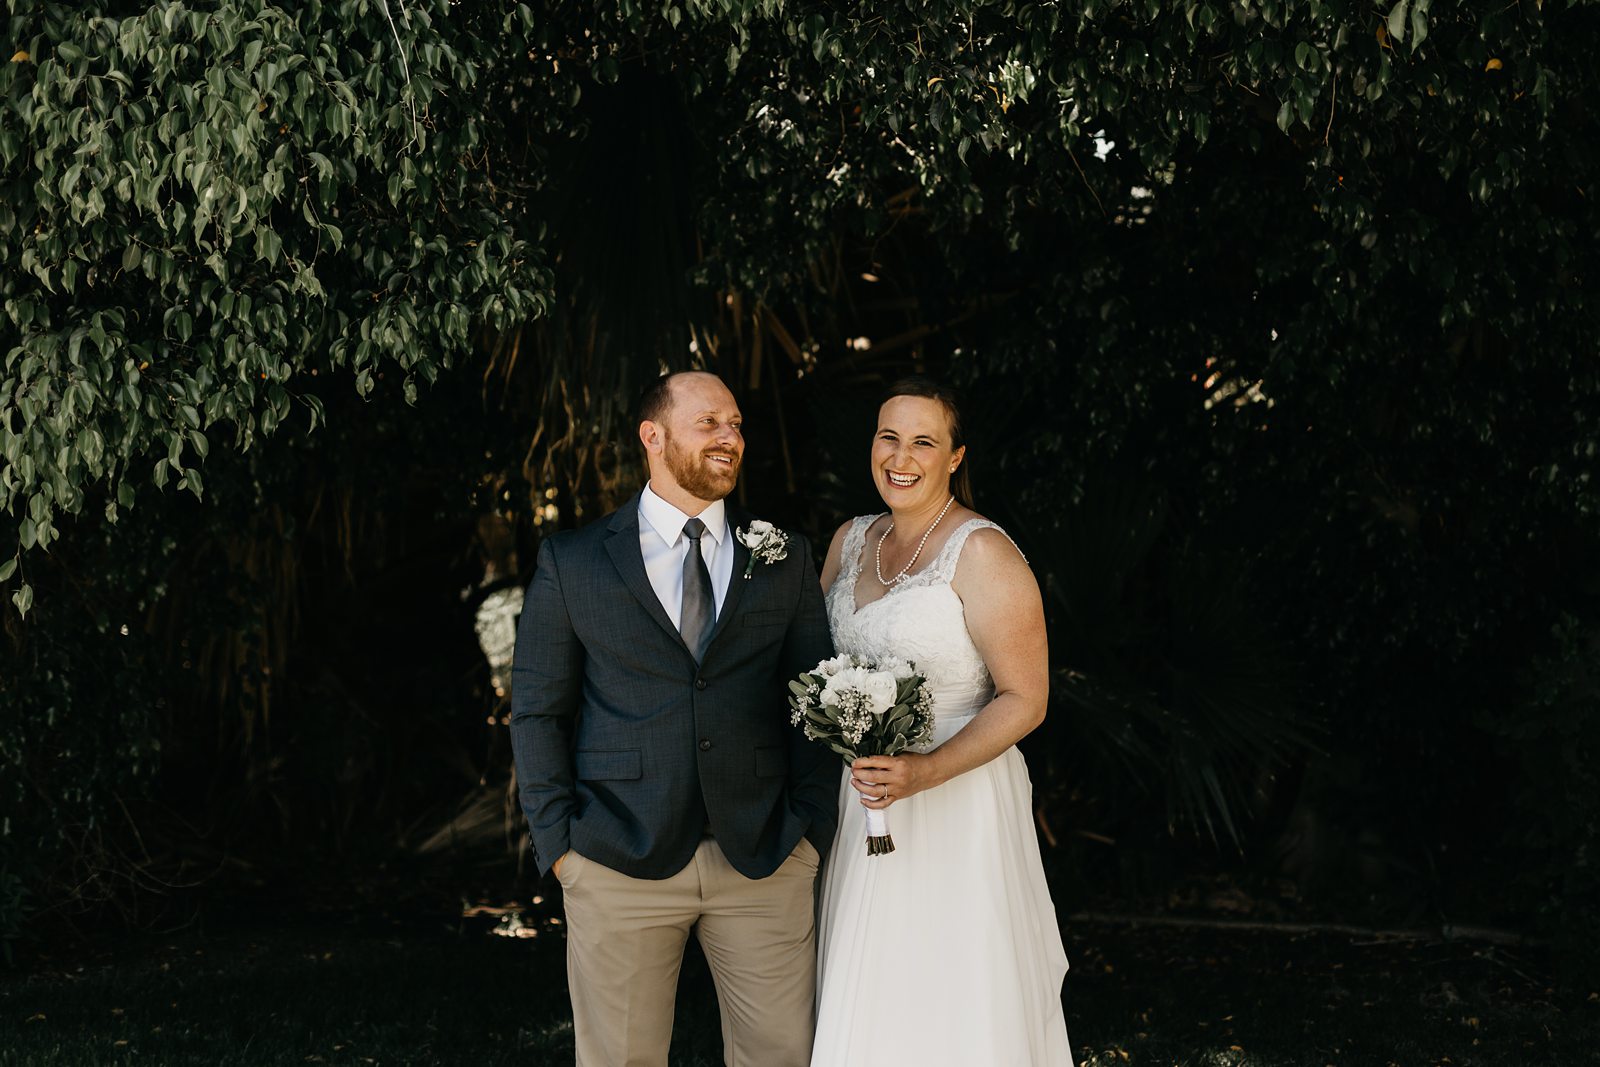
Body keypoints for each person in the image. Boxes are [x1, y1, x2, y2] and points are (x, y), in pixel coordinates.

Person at [509, 370, 838, 1067]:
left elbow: (816, 694)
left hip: (763, 855)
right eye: (710, 422)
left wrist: (810, 828)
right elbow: (537, 711)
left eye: (738, 424)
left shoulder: (783, 556)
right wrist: (561, 848)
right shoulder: (574, 562)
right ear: (652, 436)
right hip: (616, 855)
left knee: (781, 1055)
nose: (731, 438)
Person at [811, 376, 1073, 1066]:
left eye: (924, 440)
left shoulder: (983, 552)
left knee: (953, 985)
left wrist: (925, 769)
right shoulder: (849, 540)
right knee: (872, 981)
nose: (902, 455)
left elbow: (1026, 697)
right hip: (865, 797)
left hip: (960, 800)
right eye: (888, 436)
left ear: (955, 456)